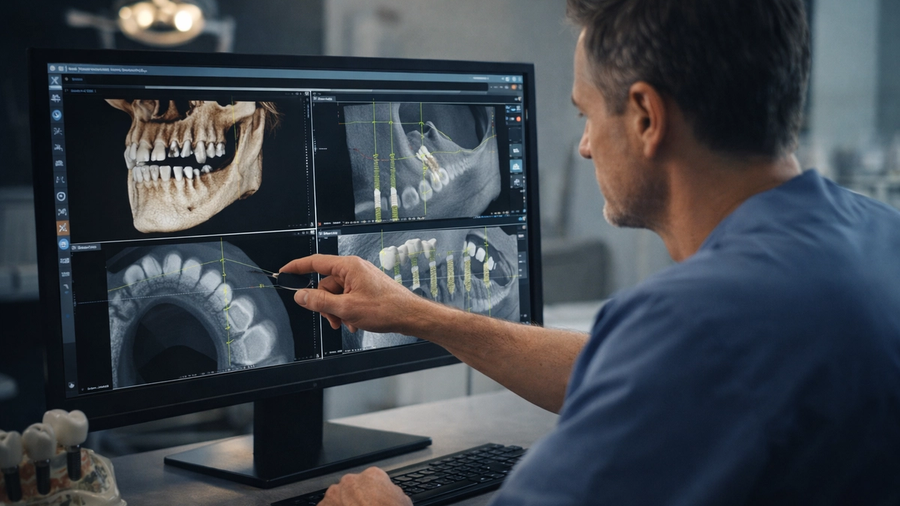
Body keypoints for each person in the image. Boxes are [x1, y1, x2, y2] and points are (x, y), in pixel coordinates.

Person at [281, 0, 900, 504]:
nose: (583, 146)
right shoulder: (878, 236)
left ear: (646, 118)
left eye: (586, 114)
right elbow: (641, 371)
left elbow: (674, 355)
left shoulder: (695, 319)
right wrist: (418, 314)